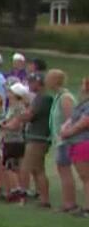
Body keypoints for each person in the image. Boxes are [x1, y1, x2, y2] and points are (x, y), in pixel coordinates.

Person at [19, 70, 56, 209]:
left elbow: (29, 115)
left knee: (31, 168)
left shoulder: (43, 98)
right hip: (35, 137)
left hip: (38, 138)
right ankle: (43, 199)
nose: (29, 84)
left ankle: (41, 199)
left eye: (31, 82)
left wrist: (19, 116)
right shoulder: (39, 98)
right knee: (37, 169)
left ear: (39, 83)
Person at [45, 70, 77, 214]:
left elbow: (71, 119)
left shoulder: (65, 98)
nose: (46, 81)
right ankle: (67, 202)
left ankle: (69, 203)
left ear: (55, 81)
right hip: (59, 140)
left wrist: (64, 135)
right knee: (62, 171)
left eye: (48, 79)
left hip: (66, 141)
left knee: (65, 172)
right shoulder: (58, 96)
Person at [58, 73, 89, 218]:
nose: (81, 86)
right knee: (84, 177)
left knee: (86, 177)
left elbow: (84, 122)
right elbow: (73, 119)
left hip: (83, 142)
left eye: (83, 83)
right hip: (76, 142)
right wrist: (65, 127)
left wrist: (68, 132)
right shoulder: (84, 103)